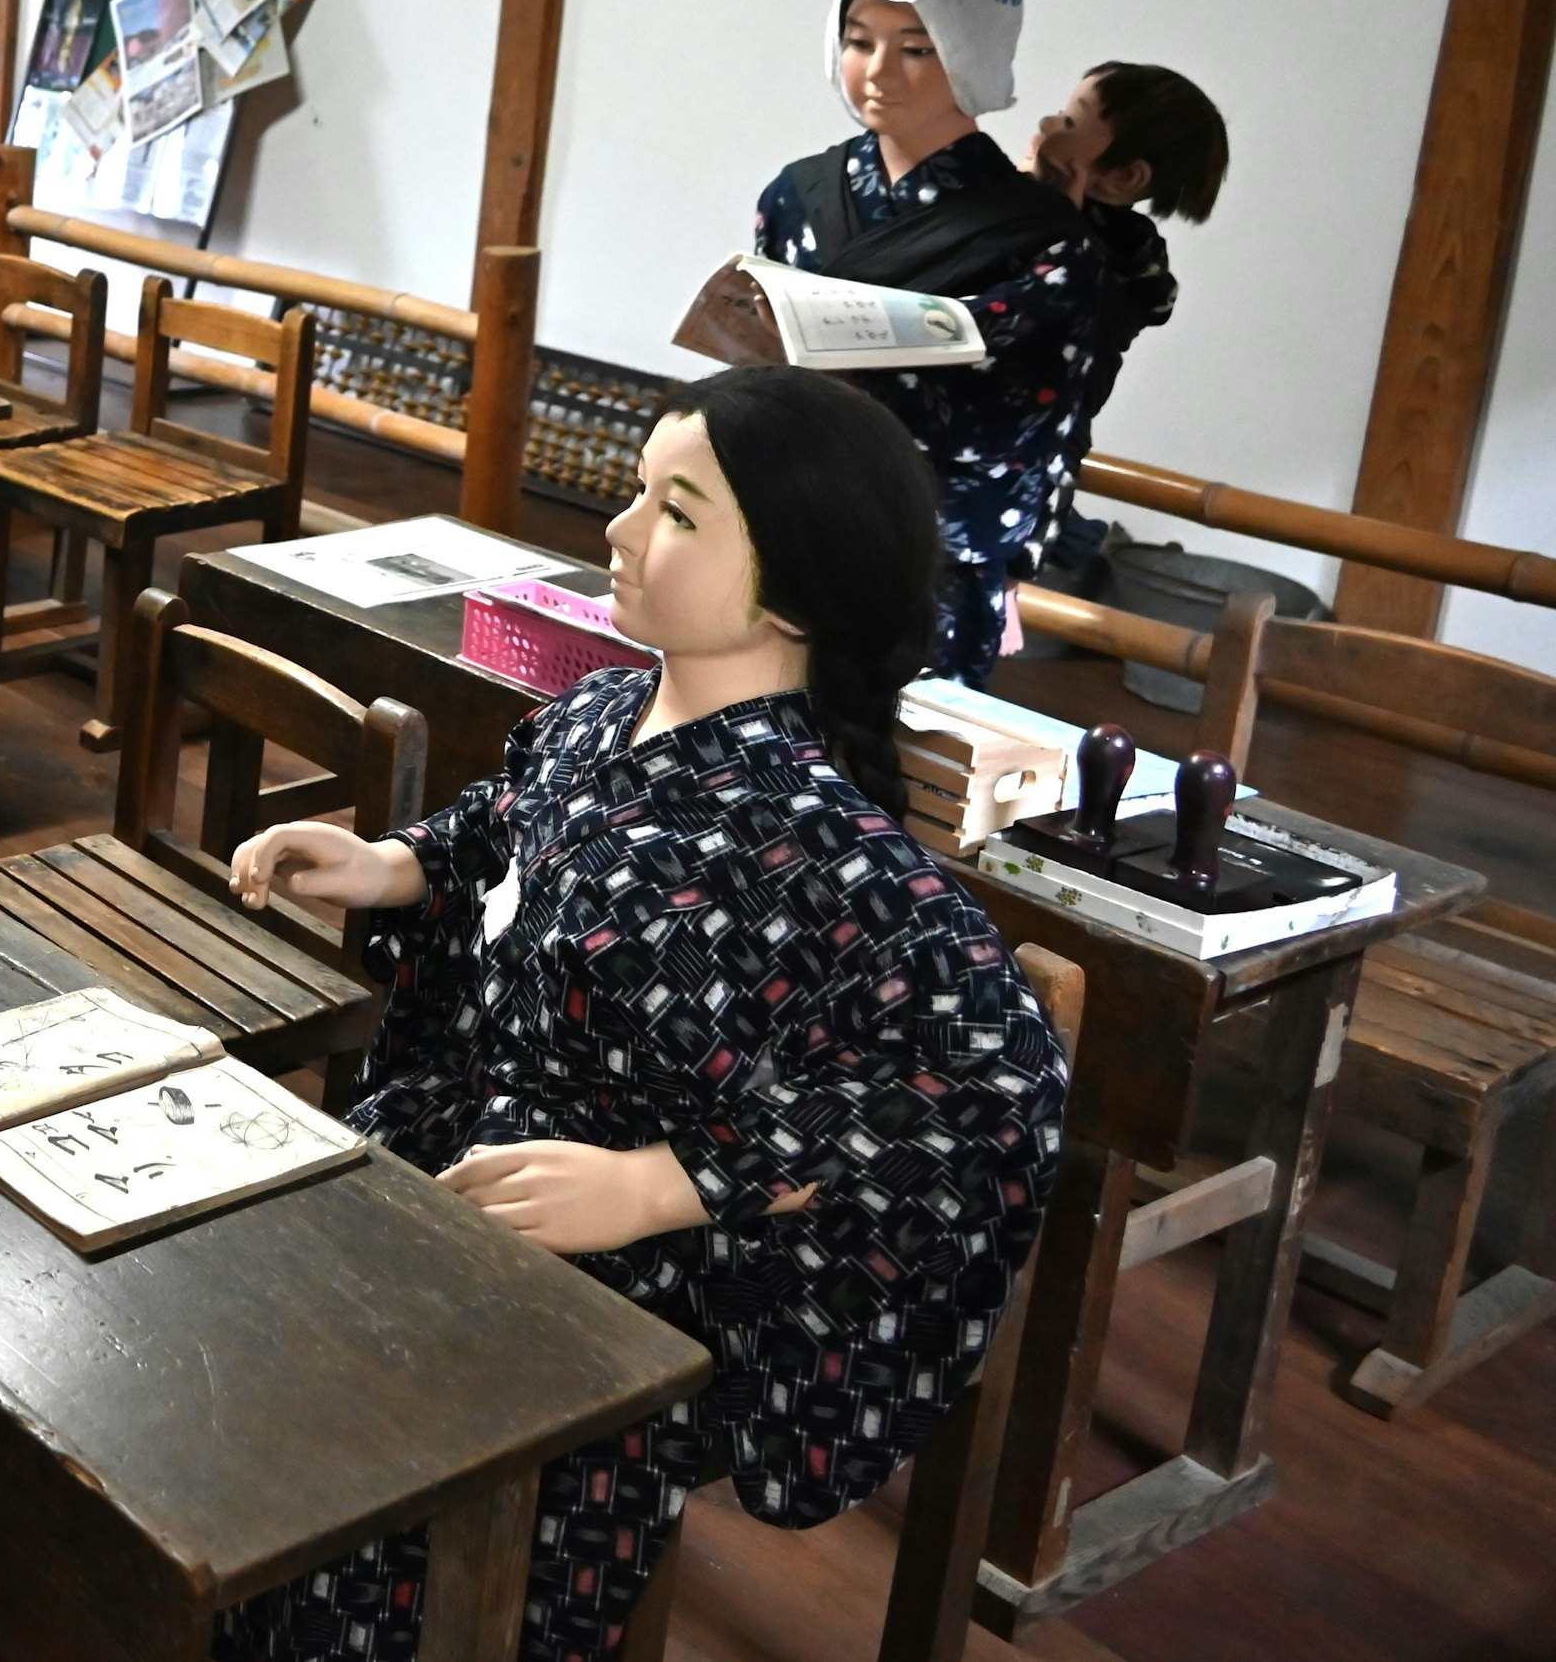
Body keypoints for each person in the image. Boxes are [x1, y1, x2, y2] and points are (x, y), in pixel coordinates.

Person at [211, 367, 1069, 1662]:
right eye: (638, 491)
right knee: (253, 1420)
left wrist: (666, 1183)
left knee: (407, 1554)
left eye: (674, 510)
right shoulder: (606, 707)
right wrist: (393, 864)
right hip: (455, 1166)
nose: (616, 528)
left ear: (789, 587)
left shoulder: (818, 837)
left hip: (613, 1282)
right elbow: (513, 829)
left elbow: (989, 1078)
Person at [752, 0, 1102, 684]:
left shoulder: (1040, 237)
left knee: (900, 769)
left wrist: (863, 391)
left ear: (973, 51)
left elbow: (1025, 418)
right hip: (789, 524)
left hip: (930, 548)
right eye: (858, 39)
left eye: (917, 48)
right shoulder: (798, 194)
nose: (879, 70)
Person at [1027, 61, 1230, 576]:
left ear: (1122, 178)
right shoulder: (1020, 202)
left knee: (1036, 517)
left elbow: (1145, 306)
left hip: (1052, 414)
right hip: (989, 403)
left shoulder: (1128, 241)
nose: (1049, 126)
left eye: (1071, 123)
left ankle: (1106, 561)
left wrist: (1060, 220)